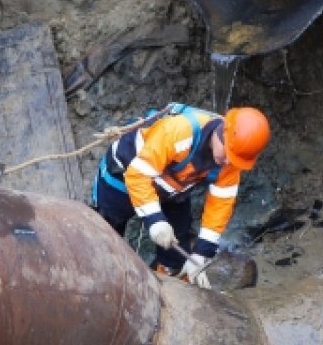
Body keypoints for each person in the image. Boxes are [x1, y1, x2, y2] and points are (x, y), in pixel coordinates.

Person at [91, 104, 271, 288]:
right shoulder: (179, 132)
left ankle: (166, 281)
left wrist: (202, 252)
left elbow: (221, 204)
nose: (227, 162)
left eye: (234, 159)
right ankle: (99, 277)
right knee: (106, 229)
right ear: (222, 133)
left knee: (177, 243)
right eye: (227, 155)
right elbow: (138, 176)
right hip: (125, 174)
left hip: (172, 188)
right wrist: (155, 219)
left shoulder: (230, 160)